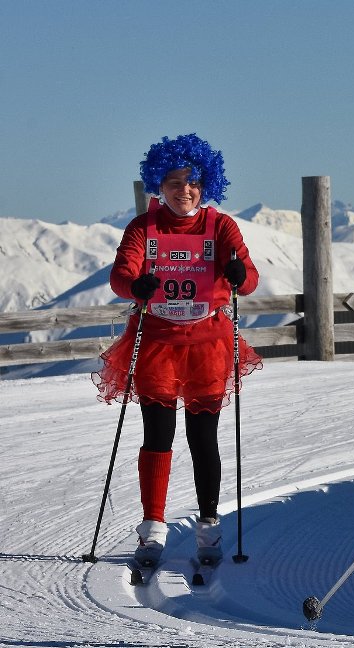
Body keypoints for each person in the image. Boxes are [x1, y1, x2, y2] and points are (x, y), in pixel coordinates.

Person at [92, 133, 262, 567]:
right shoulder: (144, 228)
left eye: (191, 181)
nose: (182, 190)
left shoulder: (221, 226)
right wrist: (136, 285)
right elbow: (120, 275)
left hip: (207, 343)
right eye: (172, 181)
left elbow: (249, 280)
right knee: (158, 435)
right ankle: (152, 530)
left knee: (203, 438)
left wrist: (238, 273)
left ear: (205, 184)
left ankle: (209, 528)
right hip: (157, 344)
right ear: (158, 185)